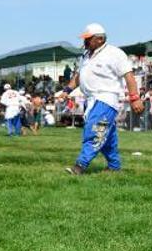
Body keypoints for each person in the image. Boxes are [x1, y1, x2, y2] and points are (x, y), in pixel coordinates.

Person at [61, 23, 143, 175]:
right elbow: (79, 76)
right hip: (91, 99)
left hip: (106, 98)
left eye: (88, 39)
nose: (84, 42)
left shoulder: (115, 53)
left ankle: (80, 166)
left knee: (94, 131)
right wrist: (67, 90)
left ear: (99, 39)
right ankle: (114, 167)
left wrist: (135, 98)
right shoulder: (85, 55)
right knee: (108, 138)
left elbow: (129, 76)